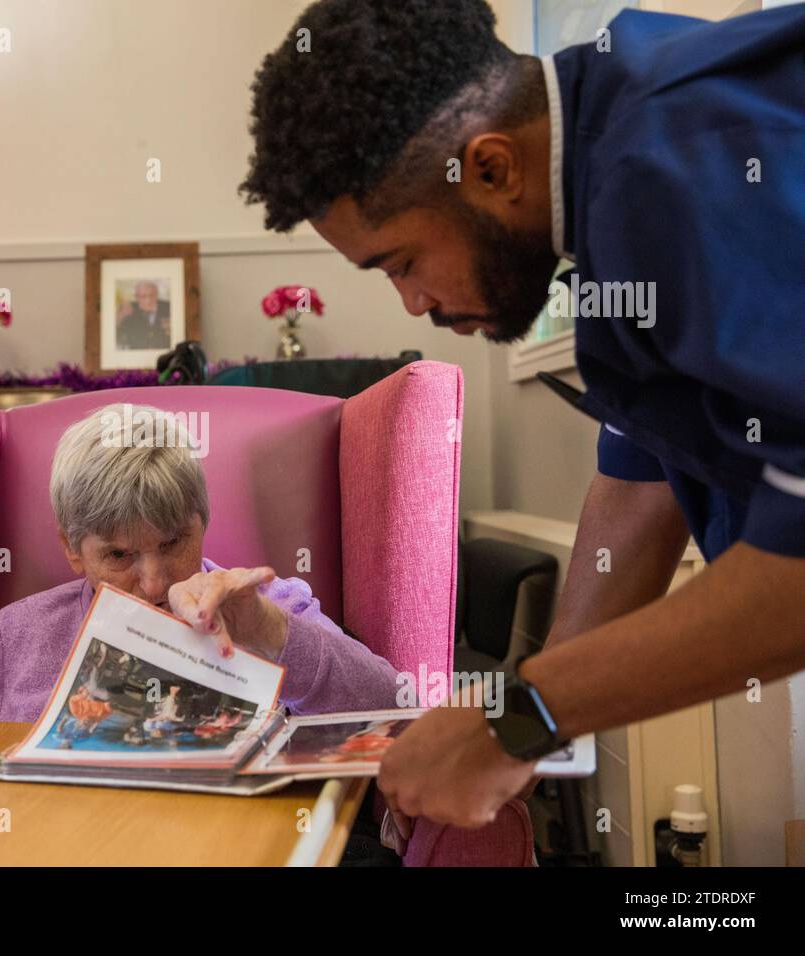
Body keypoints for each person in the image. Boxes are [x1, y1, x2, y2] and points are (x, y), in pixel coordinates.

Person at [240, 0, 805, 827]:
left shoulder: (682, 161)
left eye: (401, 262)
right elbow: (645, 468)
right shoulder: (607, 159)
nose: (414, 302)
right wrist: (520, 729)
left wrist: (516, 723)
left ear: (493, 168)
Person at [0, 402, 399, 723]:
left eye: (173, 542)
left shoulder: (273, 610)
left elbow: (401, 712)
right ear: (72, 550)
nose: (156, 583)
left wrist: (270, 633)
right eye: (119, 555)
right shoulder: (11, 643)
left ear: (203, 521)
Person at [115, 280, 172, 350]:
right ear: (136, 297)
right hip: (136, 355)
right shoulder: (128, 308)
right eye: (143, 296)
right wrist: (120, 317)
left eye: (152, 295)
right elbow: (116, 335)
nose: (148, 300)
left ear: (157, 295)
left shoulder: (169, 306)